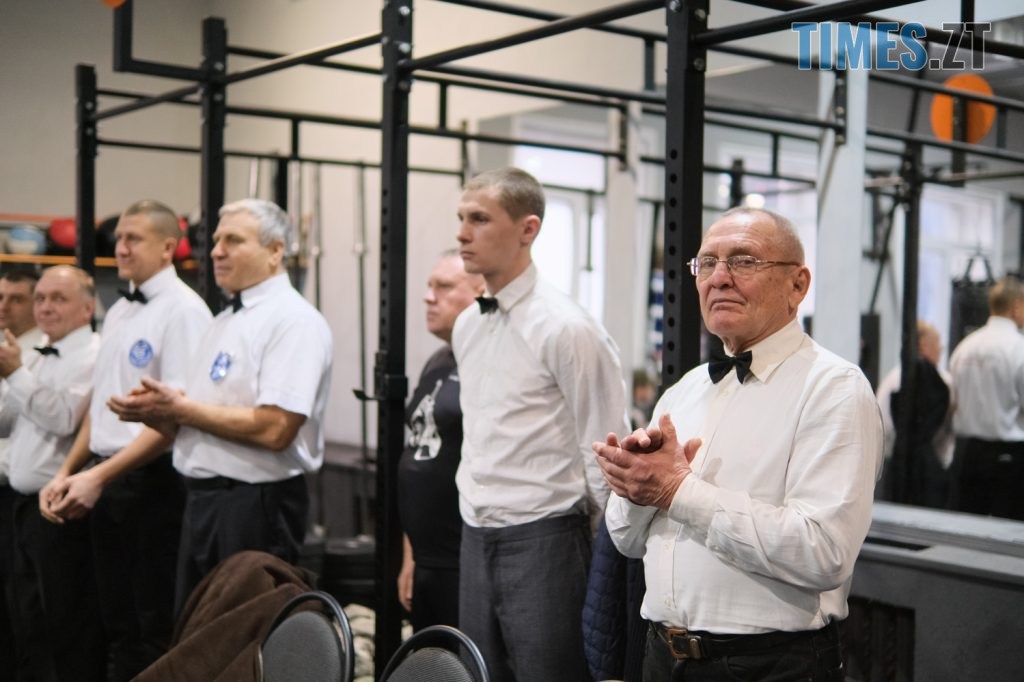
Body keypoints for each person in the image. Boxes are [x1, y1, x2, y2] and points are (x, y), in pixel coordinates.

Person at [595, 207, 882, 682]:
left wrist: (677, 492)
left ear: (797, 285)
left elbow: (823, 551)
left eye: (744, 261)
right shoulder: (684, 391)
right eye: (707, 263)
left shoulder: (833, 389)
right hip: (660, 656)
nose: (719, 278)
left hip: (769, 665)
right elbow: (626, 542)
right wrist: (636, 488)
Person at [107, 198, 333, 610]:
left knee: (245, 634)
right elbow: (201, 420)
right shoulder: (225, 320)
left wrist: (181, 410)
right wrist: (159, 413)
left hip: (254, 505)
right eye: (215, 241)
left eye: (233, 240)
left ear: (275, 250)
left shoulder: (293, 321)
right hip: (204, 502)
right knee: (198, 633)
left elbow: (276, 428)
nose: (216, 251)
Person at [452, 167, 629, 681]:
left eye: (479, 219)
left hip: (545, 538)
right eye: (461, 218)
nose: (462, 233)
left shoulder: (568, 328)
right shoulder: (467, 324)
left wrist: (604, 561)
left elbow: (605, 448)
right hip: (474, 532)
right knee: (478, 674)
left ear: (527, 229)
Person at [37, 200, 212, 681]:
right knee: (113, 621)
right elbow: (101, 407)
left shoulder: (185, 312)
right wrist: (67, 470)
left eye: (134, 238)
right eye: (119, 238)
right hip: (106, 474)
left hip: (152, 479)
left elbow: (174, 419)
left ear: (168, 247)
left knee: (153, 621)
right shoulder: (118, 311)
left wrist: (99, 476)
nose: (121, 247)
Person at [0, 265, 104, 681]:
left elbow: (62, 418)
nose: (45, 307)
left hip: (61, 508)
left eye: (58, 299)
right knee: (26, 620)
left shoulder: (93, 353)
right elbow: (8, 422)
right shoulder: (35, 351)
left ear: (87, 308)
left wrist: (14, 374)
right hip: (21, 505)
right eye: (41, 298)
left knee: (64, 624)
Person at [396, 250, 484, 630]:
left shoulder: (487, 362)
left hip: (464, 558)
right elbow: (417, 453)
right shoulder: (438, 361)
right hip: (426, 557)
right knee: (428, 656)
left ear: (481, 292)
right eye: (429, 286)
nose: (428, 297)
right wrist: (411, 557)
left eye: (444, 287)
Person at [947, 276, 1024, 520]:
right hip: (1008, 458)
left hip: (966, 455)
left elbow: (952, 402)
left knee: (965, 527)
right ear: (1016, 307)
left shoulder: (964, 348)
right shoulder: (1018, 348)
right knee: (1007, 532)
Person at [0, 269, 43, 674]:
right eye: (1, 297)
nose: (4, 306)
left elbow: (8, 418)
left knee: (22, 601)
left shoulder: (38, 353)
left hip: (19, 490)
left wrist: (13, 372)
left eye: (16, 299)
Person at [875, 320, 954, 508]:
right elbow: (949, 429)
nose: (940, 351)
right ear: (924, 345)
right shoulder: (943, 382)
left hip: (893, 465)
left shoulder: (891, 379)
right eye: (938, 346)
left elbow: (882, 427)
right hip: (928, 471)